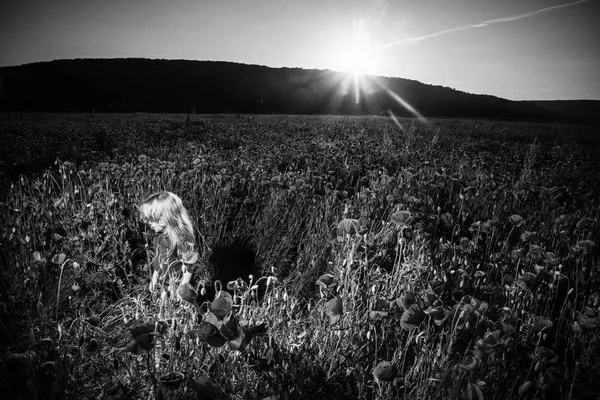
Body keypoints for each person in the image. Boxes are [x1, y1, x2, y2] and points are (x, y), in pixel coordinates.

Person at [138, 191, 202, 302]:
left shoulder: (181, 240)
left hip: (178, 286)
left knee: (177, 313)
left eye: (152, 219)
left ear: (165, 217)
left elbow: (189, 267)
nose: (148, 223)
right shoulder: (159, 238)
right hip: (163, 285)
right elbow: (159, 262)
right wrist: (154, 279)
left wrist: (182, 289)